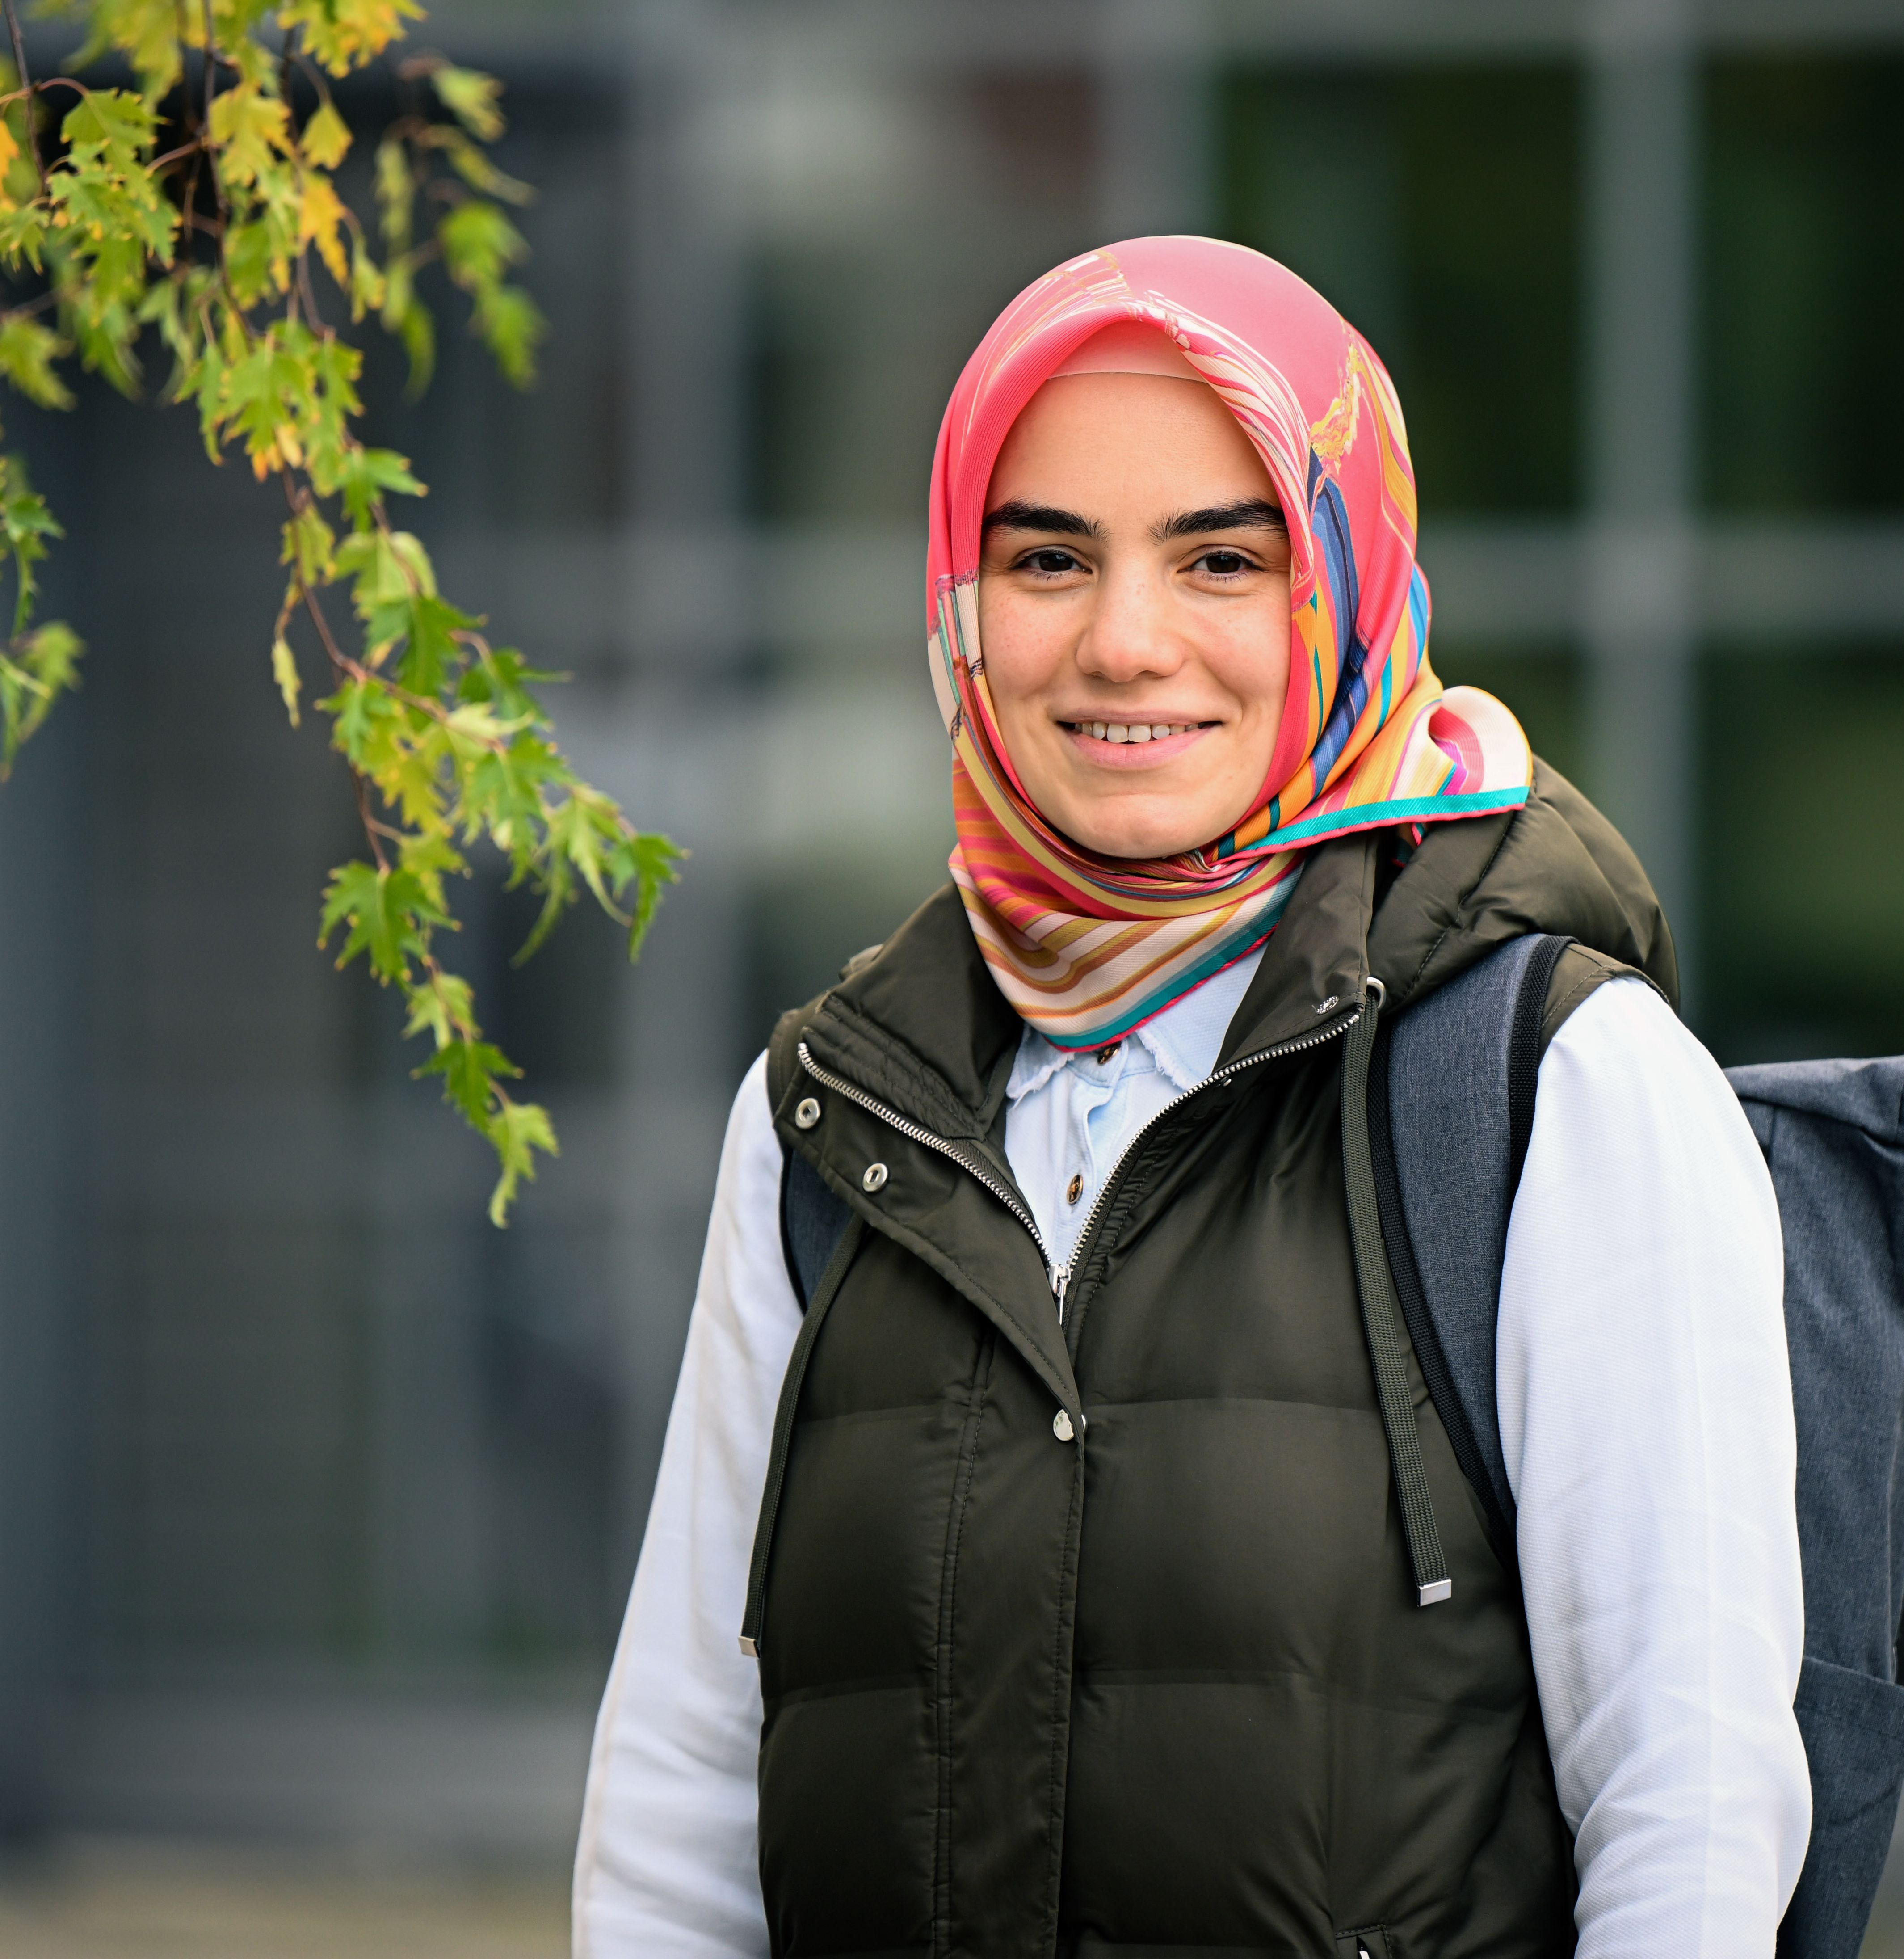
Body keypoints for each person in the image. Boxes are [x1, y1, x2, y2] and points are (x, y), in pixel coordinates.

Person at [574, 237, 1805, 1957]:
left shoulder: (1552, 1091)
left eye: (1224, 557)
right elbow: (682, 1804)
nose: (1124, 641)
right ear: (960, 610)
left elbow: (1691, 1805)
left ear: (1346, 590)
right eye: (1048, 557)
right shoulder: (834, 1111)